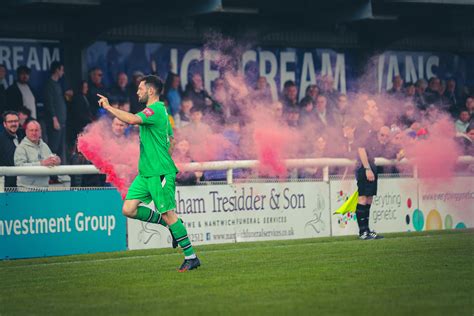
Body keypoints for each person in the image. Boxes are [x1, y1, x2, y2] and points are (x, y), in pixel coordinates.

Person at [96, 75, 200, 272]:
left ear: (150, 91)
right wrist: (160, 154)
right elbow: (172, 139)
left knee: (169, 213)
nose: (137, 92)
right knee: (128, 209)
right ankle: (169, 225)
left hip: (159, 173)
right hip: (145, 173)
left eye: (140, 88)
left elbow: (133, 120)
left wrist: (109, 108)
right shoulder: (160, 112)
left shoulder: (156, 110)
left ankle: (191, 257)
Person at [354, 99, 383, 240]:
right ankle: (362, 232)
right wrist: (367, 168)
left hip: (371, 164)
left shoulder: (370, 126)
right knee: (363, 196)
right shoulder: (362, 126)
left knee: (369, 197)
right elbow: (360, 148)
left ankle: (367, 229)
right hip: (364, 166)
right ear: (366, 110)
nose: (376, 108)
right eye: (373, 106)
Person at [14, 120, 60, 189]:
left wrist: (57, 160)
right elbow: (19, 167)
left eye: (36, 130)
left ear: (40, 132)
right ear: (26, 132)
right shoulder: (21, 148)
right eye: (31, 130)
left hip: (44, 188)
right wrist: (41, 164)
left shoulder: (44, 146)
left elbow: (50, 159)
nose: (34, 133)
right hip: (26, 189)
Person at [44, 61, 67, 163]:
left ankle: (60, 176)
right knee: (54, 147)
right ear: (57, 70)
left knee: (61, 149)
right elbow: (49, 103)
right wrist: (54, 119)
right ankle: (52, 176)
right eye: (62, 70)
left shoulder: (58, 84)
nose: (63, 72)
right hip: (55, 123)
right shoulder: (49, 84)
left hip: (62, 122)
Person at [0, 111, 25, 188]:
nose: (14, 124)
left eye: (16, 121)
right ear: (4, 124)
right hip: (6, 186)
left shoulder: (24, 137)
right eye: (10, 121)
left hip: (24, 183)